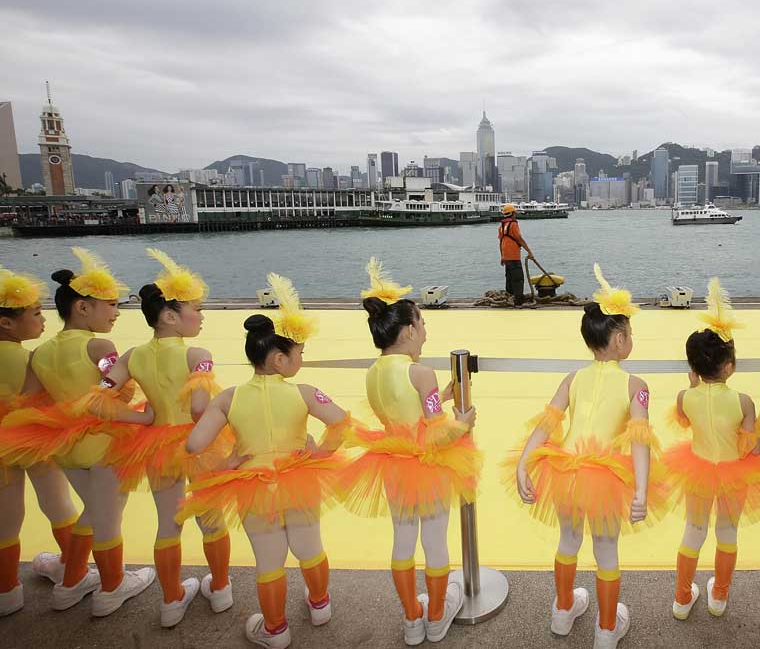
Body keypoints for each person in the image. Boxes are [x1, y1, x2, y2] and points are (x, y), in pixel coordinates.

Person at [177, 274, 350, 649]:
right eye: (299, 353)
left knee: (269, 561)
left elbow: (194, 444)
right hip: (299, 478)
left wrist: (230, 462)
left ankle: (276, 630)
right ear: (278, 358)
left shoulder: (228, 398)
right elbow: (341, 421)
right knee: (310, 547)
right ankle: (320, 605)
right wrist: (319, 452)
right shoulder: (303, 393)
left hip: (254, 486)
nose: (301, 359)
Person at [510, 264, 666, 649]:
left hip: (565, 471)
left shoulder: (572, 377)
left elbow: (547, 423)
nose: (632, 339)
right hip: (606, 479)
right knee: (606, 549)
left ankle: (563, 612)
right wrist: (641, 491)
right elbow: (640, 440)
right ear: (618, 339)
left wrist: (523, 461)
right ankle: (606, 629)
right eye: (630, 333)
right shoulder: (636, 386)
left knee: (568, 539)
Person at [0, 247, 156, 616]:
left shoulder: (39, 353)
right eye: (111, 305)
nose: (117, 313)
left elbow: (29, 400)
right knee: (104, 519)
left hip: (66, 447)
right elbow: (115, 386)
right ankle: (110, 586)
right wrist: (136, 405)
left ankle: (71, 582)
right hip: (107, 442)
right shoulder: (99, 345)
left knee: (91, 513)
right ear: (82, 307)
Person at [334, 257, 481, 645]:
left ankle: (411, 619)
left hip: (392, 464)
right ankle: (436, 615)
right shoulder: (421, 372)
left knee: (402, 539)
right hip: (427, 466)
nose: (425, 329)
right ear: (409, 330)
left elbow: (410, 410)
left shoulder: (373, 372)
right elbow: (436, 430)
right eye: (422, 322)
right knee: (434, 541)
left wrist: (439, 397)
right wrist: (464, 422)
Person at [96, 249, 234, 626]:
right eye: (197, 309)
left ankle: (171, 600)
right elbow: (200, 409)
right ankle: (220, 588)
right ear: (171, 316)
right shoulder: (197, 354)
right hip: (198, 444)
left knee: (167, 522)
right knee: (211, 517)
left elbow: (97, 400)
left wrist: (141, 418)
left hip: (155, 443)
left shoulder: (131, 355)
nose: (202, 316)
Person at [664, 278, 760, 622]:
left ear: (694, 368)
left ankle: (682, 597)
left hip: (698, 467)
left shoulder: (685, 397)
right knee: (727, 532)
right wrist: (757, 440)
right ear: (729, 365)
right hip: (734, 473)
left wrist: (692, 387)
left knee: (693, 531)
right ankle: (719, 595)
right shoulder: (743, 401)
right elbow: (753, 446)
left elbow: (686, 421)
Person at [0, 266, 79, 616]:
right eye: (35, 313)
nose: (43, 319)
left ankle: (6, 589)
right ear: (6, 322)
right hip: (38, 441)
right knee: (59, 504)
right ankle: (73, 570)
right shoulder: (32, 359)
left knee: (6, 518)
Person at [498, 203, 536, 306]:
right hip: (514, 257)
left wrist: (502, 256)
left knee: (509, 279)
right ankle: (518, 301)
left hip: (506, 257)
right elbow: (519, 239)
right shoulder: (513, 224)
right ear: (513, 213)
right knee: (518, 279)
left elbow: (501, 242)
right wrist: (529, 252)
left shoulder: (502, 225)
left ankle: (510, 297)